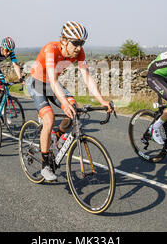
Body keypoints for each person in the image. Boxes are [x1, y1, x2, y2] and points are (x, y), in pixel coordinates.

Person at [26, 21, 114, 181]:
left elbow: (86, 77)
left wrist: (102, 100)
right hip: (38, 82)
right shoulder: (51, 49)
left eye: (82, 43)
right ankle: (45, 165)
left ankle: (56, 136)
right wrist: (63, 103)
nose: (79, 48)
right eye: (76, 43)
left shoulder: (79, 53)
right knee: (49, 118)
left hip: (52, 84)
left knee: (74, 108)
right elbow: (52, 79)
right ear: (64, 40)